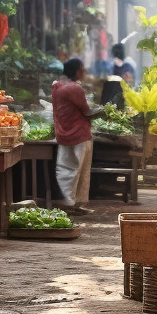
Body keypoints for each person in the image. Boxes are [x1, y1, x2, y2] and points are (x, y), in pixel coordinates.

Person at [53, 57, 103, 215]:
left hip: (63, 133)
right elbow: (87, 111)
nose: (84, 72)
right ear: (76, 72)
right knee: (78, 170)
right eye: (82, 69)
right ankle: (71, 202)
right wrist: (104, 111)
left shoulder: (57, 86)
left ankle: (70, 202)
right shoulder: (74, 88)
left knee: (66, 168)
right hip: (79, 134)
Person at [100, 42, 136, 107]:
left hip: (109, 101)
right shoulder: (128, 66)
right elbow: (131, 85)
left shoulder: (110, 66)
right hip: (123, 101)